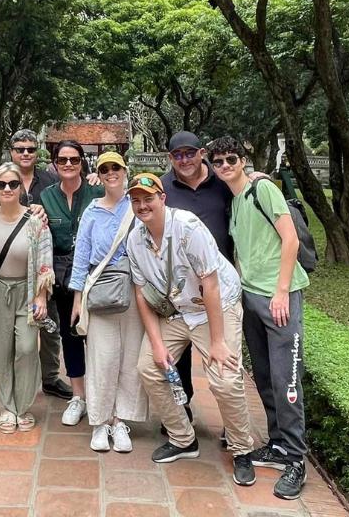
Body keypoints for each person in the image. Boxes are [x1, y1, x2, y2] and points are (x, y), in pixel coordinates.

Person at [126, 173, 256, 486]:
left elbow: (210, 283)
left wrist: (218, 341)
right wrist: (157, 344)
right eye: (136, 200)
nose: (143, 205)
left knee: (224, 378)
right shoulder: (135, 240)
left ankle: (242, 449)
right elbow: (141, 292)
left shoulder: (187, 227)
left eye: (149, 198)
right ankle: (183, 438)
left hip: (216, 305)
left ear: (162, 198)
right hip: (179, 311)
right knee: (148, 367)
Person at [209, 135, 309, 500]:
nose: (224, 166)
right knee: (264, 376)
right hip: (251, 297)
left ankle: (297, 458)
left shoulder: (262, 189)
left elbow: (290, 239)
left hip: (278, 297)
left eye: (230, 159)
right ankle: (278, 444)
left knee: (288, 380)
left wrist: (282, 290)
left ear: (243, 159)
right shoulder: (235, 201)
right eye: (217, 162)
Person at [69, 151, 148, 452]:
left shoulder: (137, 205)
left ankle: (121, 420)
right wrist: (78, 299)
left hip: (133, 289)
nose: (111, 173)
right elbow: (81, 257)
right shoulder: (92, 211)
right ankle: (100, 421)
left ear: (125, 171)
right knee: (102, 357)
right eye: (105, 170)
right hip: (100, 289)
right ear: (99, 176)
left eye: (116, 168)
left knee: (130, 357)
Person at [160, 130, 234, 421]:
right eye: (178, 155)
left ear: (202, 153)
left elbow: (244, 185)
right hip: (181, 287)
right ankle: (184, 407)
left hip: (219, 285)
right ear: (170, 158)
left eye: (190, 153)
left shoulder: (222, 182)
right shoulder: (165, 189)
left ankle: (231, 422)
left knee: (223, 352)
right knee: (178, 356)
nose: (185, 159)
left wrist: (259, 177)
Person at [37, 140, 103, 426]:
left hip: (96, 274)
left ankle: (102, 394)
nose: (67, 165)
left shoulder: (97, 191)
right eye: (62, 160)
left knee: (99, 337)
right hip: (63, 275)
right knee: (70, 334)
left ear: (82, 162)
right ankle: (78, 396)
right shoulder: (46, 196)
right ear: (54, 163)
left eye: (73, 160)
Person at [0, 162, 55, 433]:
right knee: (2, 349)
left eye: (13, 184)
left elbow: (45, 261)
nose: (7, 189)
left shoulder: (36, 220)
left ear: (20, 188)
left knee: (27, 348)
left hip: (27, 291)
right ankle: (8, 406)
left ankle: (23, 404)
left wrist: (41, 297)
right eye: (1, 184)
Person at [7, 128, 72, 402]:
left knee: (50, 324)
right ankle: (14, 378)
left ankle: (50, 377)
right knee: (13, 328)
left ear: (38, 152)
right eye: (20, 149)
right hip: (12, 265)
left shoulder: (50, 179)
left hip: (47, 264)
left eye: (30, 149)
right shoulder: (4, 179)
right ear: (11, 151)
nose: (25, 154)